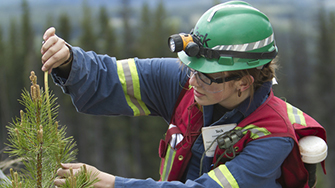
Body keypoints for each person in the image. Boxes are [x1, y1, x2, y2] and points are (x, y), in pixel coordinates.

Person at [41, 1, 327, 188]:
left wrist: (109, 183)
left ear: (243, 82)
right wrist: (68, 60)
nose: (192, 81)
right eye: (190, 67)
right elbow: (109, 77)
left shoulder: (273, 138)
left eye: (205, 74)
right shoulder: (189, 83)